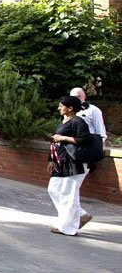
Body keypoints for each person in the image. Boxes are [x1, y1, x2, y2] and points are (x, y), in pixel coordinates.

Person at [48, 95, 94, 236]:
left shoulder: (78, 122)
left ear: (70, 108)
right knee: (53, 189)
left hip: (75, 163)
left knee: (69, 194)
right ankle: (81, 215)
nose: (58, 108)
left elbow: (85, 140)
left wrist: (63, 138)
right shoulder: (64, 121)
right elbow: (55, 142)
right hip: (61, 162)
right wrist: (51, 159)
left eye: (61, 106)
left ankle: (67, 227)